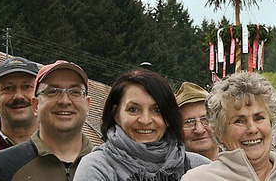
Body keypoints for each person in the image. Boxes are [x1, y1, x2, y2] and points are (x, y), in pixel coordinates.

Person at [74, 69, 210, 180]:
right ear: (117, 115)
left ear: (168, 117)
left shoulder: (199, 168)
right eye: (133, 109)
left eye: (156, 110)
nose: (145, 120)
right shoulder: (96, 167)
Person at [0, 60, 93, 180]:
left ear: (88, 104)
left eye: (75, 92)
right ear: (35, 104)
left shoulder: (106, 165)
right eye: (52, 92)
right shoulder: (0, 167)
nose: (64, 101)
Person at [182, 72, 276, 181]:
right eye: (239, 121)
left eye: (259, 118)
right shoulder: (198, 179)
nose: (252, 129)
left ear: (271, 122)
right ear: (220, 132)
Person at [175, 82, 221, 160]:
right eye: (189, 122)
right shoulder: (168, 170)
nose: (199, 130)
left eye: (206, 119)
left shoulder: (240, 164)